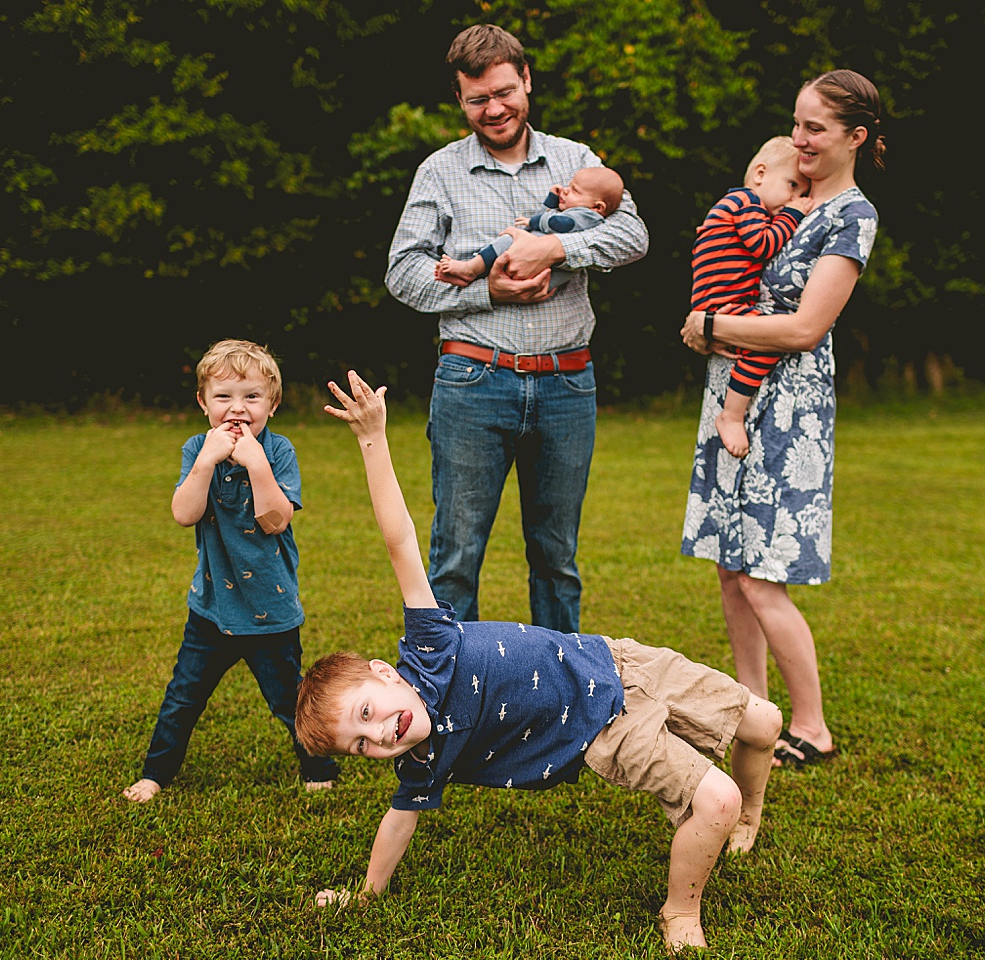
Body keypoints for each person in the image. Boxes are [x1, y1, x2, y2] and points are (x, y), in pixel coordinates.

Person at [299, 370, 783, 952]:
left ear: (383, 671)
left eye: (368, 712)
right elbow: (399, 820)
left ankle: (752, 817)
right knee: (716, 799)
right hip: (602, 727)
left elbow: (398, 540)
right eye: (362, 745)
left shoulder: (428, 649)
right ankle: (680, 911)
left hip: (621, 660)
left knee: (765, 724)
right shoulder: (423, 759)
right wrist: (367, 892)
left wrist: (372, 439)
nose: (380, 735)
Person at [385, 24, 648, 634]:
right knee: (455, 559)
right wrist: (488, 289)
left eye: (505, 91)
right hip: (473, 380)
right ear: (460, 100)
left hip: (566, 383)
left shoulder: (576, 160)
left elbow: (634, 236)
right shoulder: (440, 171)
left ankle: (562, 704)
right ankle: (450, 702)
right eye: (478, 99)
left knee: (556, 560)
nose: (495, 108)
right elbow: (402, 273)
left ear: (526, 80)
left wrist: (554, 247)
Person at [679, 70, 885, 769]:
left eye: (816, 129)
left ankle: (814, 724)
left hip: (788, 411)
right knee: (731, 569)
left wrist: (711, 321)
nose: (800, 139)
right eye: (795, 124)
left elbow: (803, 328)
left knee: (764, 576)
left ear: (855, 137)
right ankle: (752, 708)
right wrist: (714, 327)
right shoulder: (776, 198)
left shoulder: (851, 217)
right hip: (731, 392)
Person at [123, 339, 339, 802]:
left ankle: (319, 767)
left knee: (289, 701)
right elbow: (184, 513)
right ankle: (156, 774)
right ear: (203, 403)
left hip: (271, 611)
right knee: (183, 698)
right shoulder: (197, 449)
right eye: (223, 397)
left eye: (251, 397)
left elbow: (275, 520)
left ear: (272, 405)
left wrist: (255, 462)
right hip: (211, 611)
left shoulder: (278, 453)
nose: (237, 409)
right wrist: (205, 461)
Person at [691, 137, 815, 459]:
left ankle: (731, 413)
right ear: (760, 174)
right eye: (792, 185)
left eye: (802, 194)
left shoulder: (740, 205)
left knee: (764, 339)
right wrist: (791, 216)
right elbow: (763, 244)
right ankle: (731, 415)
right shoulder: (745, 202)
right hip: (723, 303)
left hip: (720, 302)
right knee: (773, 338)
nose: (795, 198)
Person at [435, 166, 626, 290]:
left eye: (575, 190)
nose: (566, 190)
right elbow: (548, 215)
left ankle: (470, 268)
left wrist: (530, 223)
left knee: (508, 240)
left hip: (541, 270)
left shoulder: (585, 217)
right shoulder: (577, 211)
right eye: (569, 185)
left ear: (597, 207)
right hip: (546, 277)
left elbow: (555, 223)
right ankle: (472, 279)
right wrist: (553, 200)